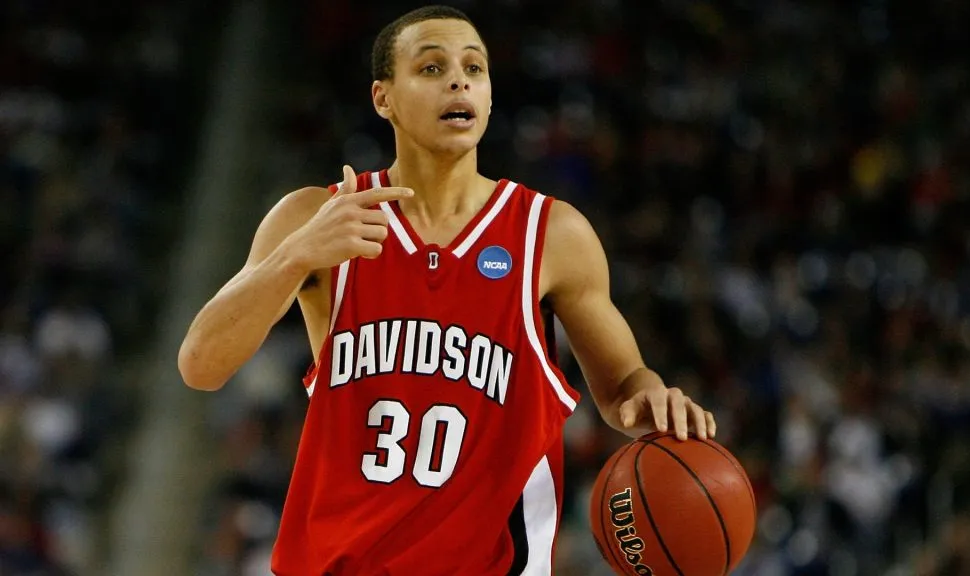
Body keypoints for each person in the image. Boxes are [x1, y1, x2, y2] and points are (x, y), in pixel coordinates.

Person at [178, 5, 716, 575]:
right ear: (383, 98)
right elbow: (200, 365)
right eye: (432, 68)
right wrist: (295, 256)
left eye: (474, 68)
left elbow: (624, 388)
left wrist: (655, 395)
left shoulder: (551, 234)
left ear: (487, 96)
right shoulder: (318, 215)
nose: (459, 79)